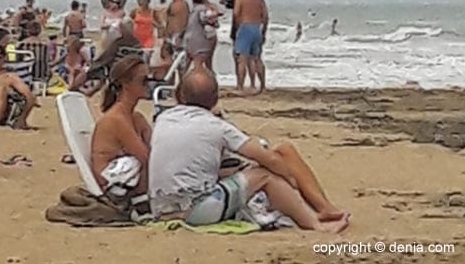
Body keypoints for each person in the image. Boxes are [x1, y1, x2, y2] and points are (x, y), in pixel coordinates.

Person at [147, 69, 349, 232]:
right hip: (194, 210)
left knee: (276, 157)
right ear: (215, 99)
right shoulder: (216, 126)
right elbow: (270, 160)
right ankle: (316, 223)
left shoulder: (164, 119)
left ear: (180, 95)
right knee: (266, 174)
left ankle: (322, 210)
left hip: (160, 207)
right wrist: (292, 180)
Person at [91, 55, 152, 196]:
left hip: (123, 177)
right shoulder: (117, 119)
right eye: (144, 81)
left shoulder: (135, 117)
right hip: (112, 182)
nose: (148, 85)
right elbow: (146, 157)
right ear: (126, 84)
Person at [234, 0, 269, 94]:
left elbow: (236, 13)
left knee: (242, 59)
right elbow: (265, 16)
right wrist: (264, 32)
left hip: (245, 26)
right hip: (257, 28)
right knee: (257, 59)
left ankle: (240, 86)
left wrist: (236, 28)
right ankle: (262, 86)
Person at [183, 0, 218, 72]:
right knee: (199, 61)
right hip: (201, 37)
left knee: (201, 61)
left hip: (203, 37)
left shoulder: (201, 8)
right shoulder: (202, 8)